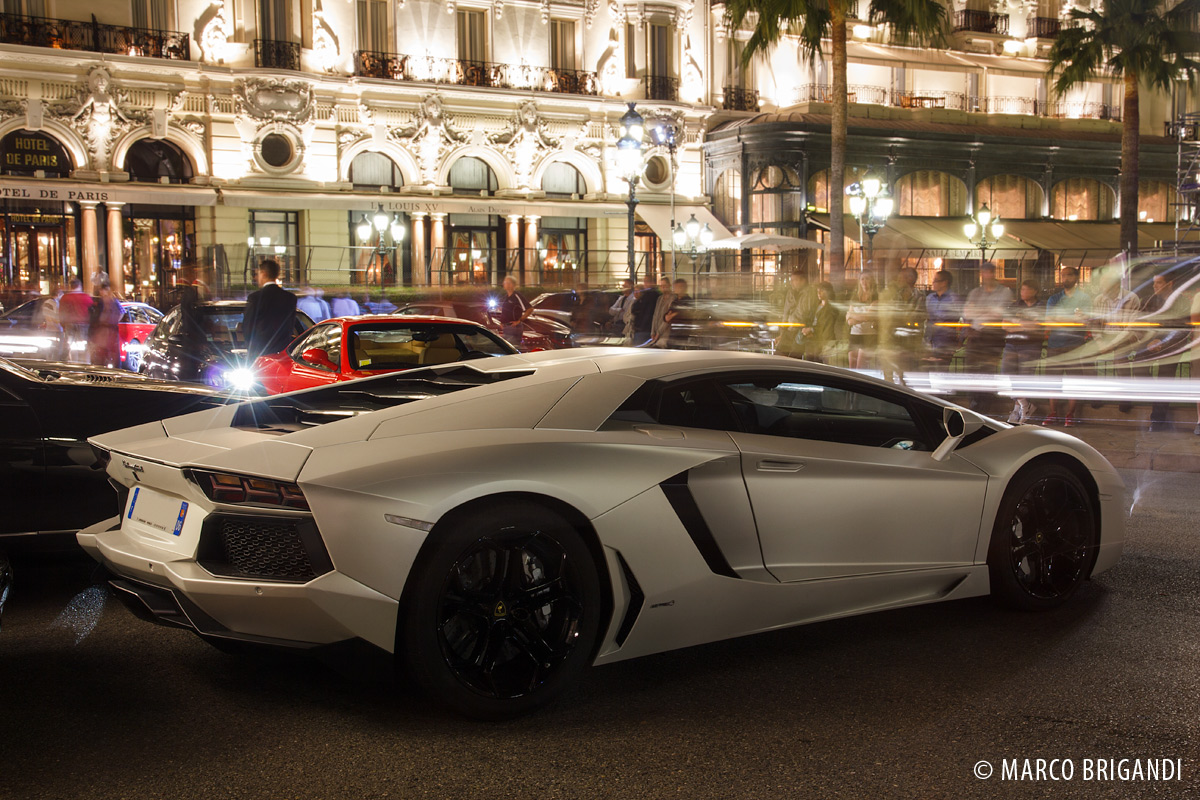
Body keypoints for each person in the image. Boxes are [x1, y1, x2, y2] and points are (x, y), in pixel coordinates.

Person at [1135, 272, 1189, 431]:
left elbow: (1183, 329)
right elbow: (1140, 323)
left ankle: (1157, 420)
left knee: (1165, 379)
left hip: (1171, 347)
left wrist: (1163, 342)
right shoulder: (1149, 300)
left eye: (1158, 283)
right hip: (1150, 345)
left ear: (1169, 283)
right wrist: (1149, 341)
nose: (1154, 286)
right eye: (1154, 283)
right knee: (1139, 368)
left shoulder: (1182, 302)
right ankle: (1156, 405)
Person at [1043, 266, 1090, 427]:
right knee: (1052, 381)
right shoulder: (1054, 298)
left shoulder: (1084, 298)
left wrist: (1061, 318)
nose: (1065, 278)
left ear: (1076, 277)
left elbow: (1084, 320)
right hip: (1055, 344)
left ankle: (1070, 414)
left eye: (1068, 275)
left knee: (1073, 381)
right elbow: (1049, 320)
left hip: (1074, 345)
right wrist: (1072, 319)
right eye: (1062, 275)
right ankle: (1053, 413)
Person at [1001, 280, 1044, 424]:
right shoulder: (1015, 305)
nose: (1023, 292)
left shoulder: (1040, 306)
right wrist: (1025, 324)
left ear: (1035, 291)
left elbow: (1036, 327)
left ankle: (1018, 409)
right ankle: (1025, 405)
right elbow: (1005, 325)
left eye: (1026, 289)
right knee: (1007, 377)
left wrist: (1017, 323)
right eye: (1022, 290)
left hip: (1031, 346)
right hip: (1012, 344)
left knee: (1025, 378)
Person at [962, 262, 1013, 375]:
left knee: (988, 370)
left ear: (993, 273)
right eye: (984, 272)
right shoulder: (975, 292)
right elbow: (968, 313)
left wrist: (978, 310)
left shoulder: (1004, 292)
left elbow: (998, 313)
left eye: (989, 272)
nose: (986, 275)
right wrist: (988, 310)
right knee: (971, 370)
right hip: (975, 335)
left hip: (992, 336)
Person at [877, 267, 925, 381]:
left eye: (901, 277)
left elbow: (914, 317)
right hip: (890, 340)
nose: (898, 280)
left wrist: (899, 317)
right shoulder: (894, 295)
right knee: (888, 374)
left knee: (905, 374)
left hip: (908, 342)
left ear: (910, 279)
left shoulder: (919, 297)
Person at [243, 259, 298, 360]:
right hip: (283, 353)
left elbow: (248, 326)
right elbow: (291, 325)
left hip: (260, 353)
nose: (256, 277)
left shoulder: (255, 298)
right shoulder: (290, 298)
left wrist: (251, 349)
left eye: (258, 274)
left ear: (263, 273)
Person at [923, 270, 962, 371]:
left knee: (941, 371)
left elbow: (959, 319)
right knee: (928, 371)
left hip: (945, 342)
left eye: (936, 281)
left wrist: (959, 340)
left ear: (944, 282)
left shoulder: (954, 299)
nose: (933, 284)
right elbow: (927, 317)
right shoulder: (930, 298)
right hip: (930, 341)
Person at [777, 269, 818, 358]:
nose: (792, 283)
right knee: (778, 355)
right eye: (791, 280)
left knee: (794, 358)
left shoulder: (810, 293)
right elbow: (786, 311)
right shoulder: (790, 293)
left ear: (803, 281)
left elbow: (806, 312)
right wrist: (783, 331)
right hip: (789, 330)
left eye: (795, 280)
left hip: (801, 330)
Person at [805, 281, 844, 364]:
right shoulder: (816, 306)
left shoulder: (831, 308)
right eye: (817, 291)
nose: (818, 293)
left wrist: (812, 330)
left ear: (828, 292)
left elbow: (826, 325)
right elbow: (809, 319)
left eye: (822, 291)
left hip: (824, 342)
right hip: (812, 341)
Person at [845, 273, 877, 370]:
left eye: (867, 278)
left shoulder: (875, 297)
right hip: (855, 334)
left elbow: (867, 317)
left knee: (860, 367)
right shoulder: (855, 297)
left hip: (868, 335)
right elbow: (849, 321)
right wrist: (858, 317)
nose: (864, 281)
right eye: (862, 279)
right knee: (852, 367)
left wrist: (853, 315)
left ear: (872, 281)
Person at [57, 278, 94, 363]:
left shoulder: (65, 298)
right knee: (84, 344)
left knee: (72, 345)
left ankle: (74, 362)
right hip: (84, 324)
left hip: (69, 324)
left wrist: (63, 325)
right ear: (80, 286)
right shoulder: (86, 297)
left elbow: (61, 312)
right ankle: (85, 362)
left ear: (71, 286)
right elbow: (93, 309)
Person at [88, 281, 122, 368]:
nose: (101, 292)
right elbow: (121, 312)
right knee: (108, 353)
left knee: (104, 352)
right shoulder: (113, 301)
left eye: (102, 290)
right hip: (108, 330)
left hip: (106, 331)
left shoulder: (107, 302)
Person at [497, 275, 531, 346]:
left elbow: (530, 309)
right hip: (506, 327)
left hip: (513, 327)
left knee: (512, 349)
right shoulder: (506, 297)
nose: (504, 284)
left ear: (512, 284)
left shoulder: (516, 296)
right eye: (504, 282)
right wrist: (502, 323)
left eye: (507, 282)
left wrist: (519, 320)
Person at [630, 274, 661, 346]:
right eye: (644, 281)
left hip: (645, 328)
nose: (646, 283)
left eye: (648, 281)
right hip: (641, 328)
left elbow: (648, 313)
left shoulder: (653, 296)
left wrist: (641, 326)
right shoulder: (644, 295)